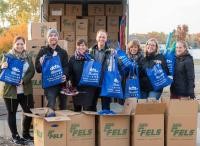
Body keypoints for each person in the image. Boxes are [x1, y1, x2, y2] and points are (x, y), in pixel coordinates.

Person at [0, 36, 35, 145]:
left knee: (29, 112)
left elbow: (32, 71)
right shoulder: (7, 56)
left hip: (25, 90)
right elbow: (2, 72)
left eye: (21, 44)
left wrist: (23, 80)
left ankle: (25, 134)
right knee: (12, 113)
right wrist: (2, 66)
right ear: (14, 44)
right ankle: (15, 136)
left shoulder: (28, 56)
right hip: (11, 92)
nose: (20, 46)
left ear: (24, 45)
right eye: (17, 43)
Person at [35, 29, 68, 111]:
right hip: (49, 85)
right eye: (51, 35)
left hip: (62, 84)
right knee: (51, 107)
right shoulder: (42, 52)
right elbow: (38, 69)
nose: (53, 37)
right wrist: (41, 64)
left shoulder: (63, 52)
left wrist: (65, 75)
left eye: (55, 35)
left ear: (58, 38)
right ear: (47, 38)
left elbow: (66, 67)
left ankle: (61, 123)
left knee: (63, 107)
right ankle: (51, 123)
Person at [68, 39, 97, 112]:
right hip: (76, 87)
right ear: (76, 46)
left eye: (83, 45)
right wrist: (70, 81)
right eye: (79, 45)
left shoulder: (91, 58)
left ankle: (87, 123)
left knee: (87, 109)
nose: (81, 47)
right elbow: (69, 72)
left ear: (86, 47)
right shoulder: (72, 59)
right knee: (77, 109)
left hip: (88, 88)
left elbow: (95, 71)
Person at [89, 29, 113, 111]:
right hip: (93, 82)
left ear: (106, 39)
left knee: (106, 107)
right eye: (100, 37)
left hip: (105, 82)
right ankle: (94, 123)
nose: (101, 39)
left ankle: (105, 123)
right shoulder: (90, 51)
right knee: (91, 105)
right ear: (96, 38)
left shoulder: (111, 52)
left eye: (103, 37)